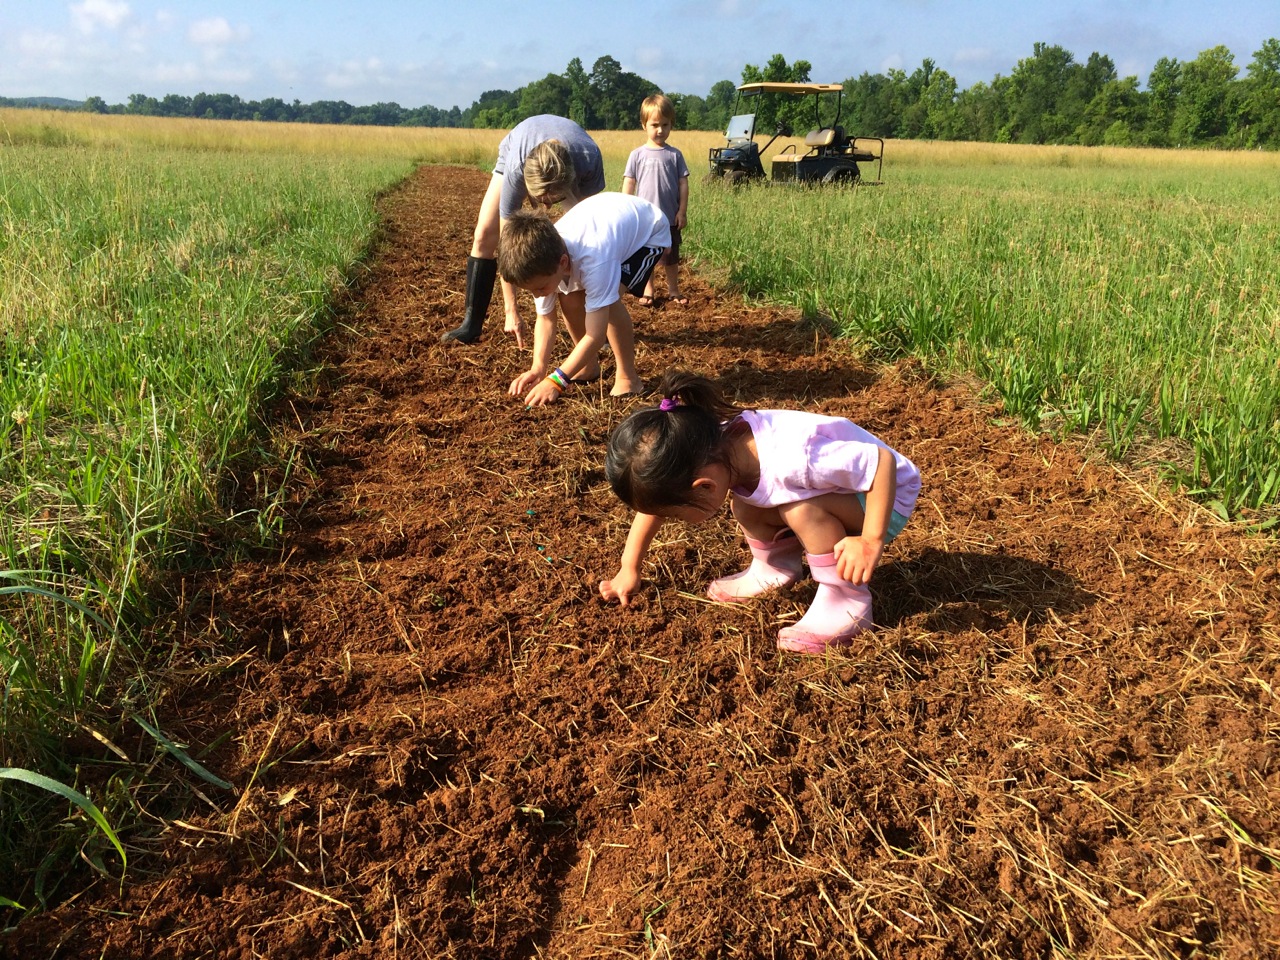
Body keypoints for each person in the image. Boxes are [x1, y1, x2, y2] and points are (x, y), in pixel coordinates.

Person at [598, 370, 921, 654]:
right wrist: (629, 567)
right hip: (845, 489)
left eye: (678, 515)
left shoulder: (794, 459)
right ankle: (775, 566)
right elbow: (652, 508)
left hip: (884, 497)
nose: (675, 520)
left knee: (801, 510)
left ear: (704, 486)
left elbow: (881, 463)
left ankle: (846, 598)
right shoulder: (706, 445)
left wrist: (869, 540)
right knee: (748, 501)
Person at [441, 115, 606, 346]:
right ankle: (471, 324)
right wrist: (512, 310)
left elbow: (592, 228)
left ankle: (594, 321)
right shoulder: (517, 167)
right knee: (484, 234)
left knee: (584, 238)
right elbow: (508, 245)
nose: (546, 207)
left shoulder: (588, 159)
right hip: (520, 149)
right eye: (540, 199)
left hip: (573, 164)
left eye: (553, 199)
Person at [498, 192, 670, 406]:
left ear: (562, 263)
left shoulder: (595, 259)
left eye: (540, 287)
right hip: (606, 223)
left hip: (647, 234)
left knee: (609, 302)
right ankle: (587, 366)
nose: (537, 294)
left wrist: (557, 380)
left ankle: (628, 377)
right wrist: (538, 368)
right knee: (569, 298)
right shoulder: (542, 259)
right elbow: (546, 319)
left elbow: (596, 335)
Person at [622, 93, 690, 306]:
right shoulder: (637, 155)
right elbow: (629, 183)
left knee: (671, 257)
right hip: (644, 220)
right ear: (644, 125)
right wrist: (626, 210)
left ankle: (673, 290)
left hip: (669, 218)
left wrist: (682, 211)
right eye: (654, 125)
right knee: (646, 257)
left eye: (665, 124)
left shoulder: (675, 155)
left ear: (671, 125)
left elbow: (683, 184)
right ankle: (648, 290)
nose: (660, 130)